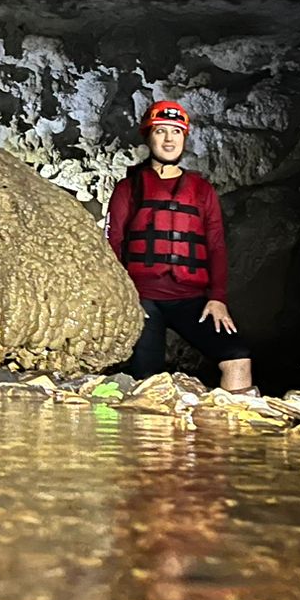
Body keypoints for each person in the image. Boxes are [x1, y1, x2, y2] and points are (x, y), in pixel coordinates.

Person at [104, 100, 249, 391]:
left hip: (190, 299)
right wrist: (123, 297)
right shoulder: (127, 188)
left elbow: (216, 246)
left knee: (237, 358)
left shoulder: (202, 190)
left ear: (184, 138)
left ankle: (230, 429)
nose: (169, 139)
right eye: (161, 131)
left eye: (176, 132)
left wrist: (217, 298)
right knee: (147, 381)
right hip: (143, 299)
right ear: (148, 136)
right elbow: (112, 243)